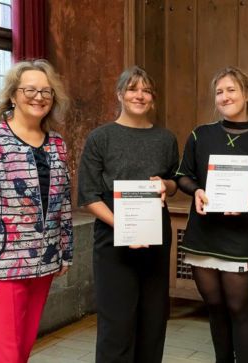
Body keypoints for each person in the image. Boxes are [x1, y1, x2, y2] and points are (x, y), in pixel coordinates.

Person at [0, 59, 72, 363]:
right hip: (2, 267)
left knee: (22, 349)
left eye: (46, 92)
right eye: (30, 90)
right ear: (13, 95)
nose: (39, 97)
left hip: (44, 262)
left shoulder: (57, 144)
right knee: (6, 354)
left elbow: (63, 202)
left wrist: (64, 252)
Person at [175, 66, 248, 363]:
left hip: (243, 236)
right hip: (204, 234)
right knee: (215, 306)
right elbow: (183, 175)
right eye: (219, 92)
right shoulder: (200, 135)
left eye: (231, 89)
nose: (225, 96)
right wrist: (196, 190)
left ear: (247, 94)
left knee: (240, 309)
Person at [77, 66, 178, 363]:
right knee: (116, 322)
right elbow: (88, 195)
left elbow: (175, 181)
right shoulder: (100, 138)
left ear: (153, 98)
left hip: (156, 233)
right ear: (120, 94)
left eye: (146, 90)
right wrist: (124, 226)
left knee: (153, 318)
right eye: (133, 89)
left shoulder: (165, 138)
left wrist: (167, 185)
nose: (140, 95)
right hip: (113, 233)